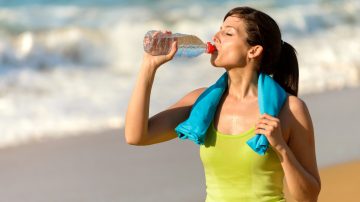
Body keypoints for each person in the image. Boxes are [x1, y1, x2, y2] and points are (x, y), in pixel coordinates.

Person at [125, 6, 321, 202]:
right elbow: (136, 136)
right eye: (219, 29)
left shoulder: (290, 110)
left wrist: (281, 148)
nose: (216, 36)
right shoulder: (200, 102)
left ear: (253, 51)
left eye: (228, 33)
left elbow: (309, 197)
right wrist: (148, 67)